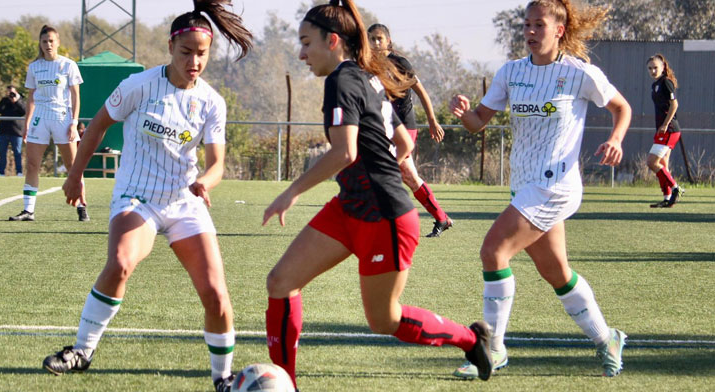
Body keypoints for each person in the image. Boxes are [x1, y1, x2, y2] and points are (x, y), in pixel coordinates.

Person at [262, 1, 493, 389]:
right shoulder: (365, 78)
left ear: (332, 40)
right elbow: (402, 141)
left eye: (306, 43)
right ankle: (285, 384)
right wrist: (373, 172)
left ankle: (471, 339)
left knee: (383, 320)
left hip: (383, 216)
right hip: (352, 206)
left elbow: (345, 152)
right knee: (280, 282)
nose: (301, 53)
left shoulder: (342, 80)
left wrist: (292, 192)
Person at [40, 2, 252, 390]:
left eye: (201, 54)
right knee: (120, 262)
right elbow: (98, 125)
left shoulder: (211, 102)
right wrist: (75, 175)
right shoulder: (138, 86)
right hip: (137, 197)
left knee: (217, 295)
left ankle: (222, 379)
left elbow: (217, 163)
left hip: (184, 202)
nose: (193, 61)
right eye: (186, 52)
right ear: (170, 48)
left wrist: (206, 180)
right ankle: (82, 351)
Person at [448, 0, 631, 379]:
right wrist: (464, 113)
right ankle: (607, 338)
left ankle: (493, 348)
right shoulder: (511, 72)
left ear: (559, 30)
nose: (530, 32)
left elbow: (621, 108)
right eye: (526, 25)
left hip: (557, 186)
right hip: (525, 187)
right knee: (555, 271)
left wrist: (616, 139)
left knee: (493, 251)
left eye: (539, 25)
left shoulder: (580, 73)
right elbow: (478, 122)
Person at [367, 23, 453, 237]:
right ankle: (441, 218)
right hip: (385, 127)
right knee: (410, 178)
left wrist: (433, 120)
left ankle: (386, 223)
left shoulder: (399, 63)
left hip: (405, 126)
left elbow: (420, 90)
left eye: (379, 38)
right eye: (372, 39)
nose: (376, 42)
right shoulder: (368, 65)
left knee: (388, 171)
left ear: (388, 41)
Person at [8, 25, 89, 222]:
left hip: (63, 117)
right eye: (44, 41)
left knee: (73, 165)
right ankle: (28, 210)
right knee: (33, 164)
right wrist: (27, 123)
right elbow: (31, 98)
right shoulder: (34, 67)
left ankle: (81, 206)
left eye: (51, 41)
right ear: (40, 44)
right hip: (40, 119)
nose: (48, 45)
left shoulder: (68, 65)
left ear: (58, 42)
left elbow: (76, 96)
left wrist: (74, 122)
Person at [646, 53, 683, 208]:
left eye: (656, 68)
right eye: (650, 68)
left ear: (663, 67)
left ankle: (675, 188)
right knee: (662, 164)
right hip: (663, 130)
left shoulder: (666, 82)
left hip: (670, 130)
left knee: (651, 162)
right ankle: (668, 198)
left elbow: (674, 105)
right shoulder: (655, 85)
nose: (653, 71)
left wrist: (665, 124)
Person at [0, 85, 26, 177]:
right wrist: (5, 99)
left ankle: (19, 172)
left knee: (17, 153)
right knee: (2, 153)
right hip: (4, 130)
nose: (11, 94)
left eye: (12, 92)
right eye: (9, 92)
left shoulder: (21, 101)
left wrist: (16, 102)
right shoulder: (5, 101)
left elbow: (24, 111)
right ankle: (0, 172)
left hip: (16, 132)